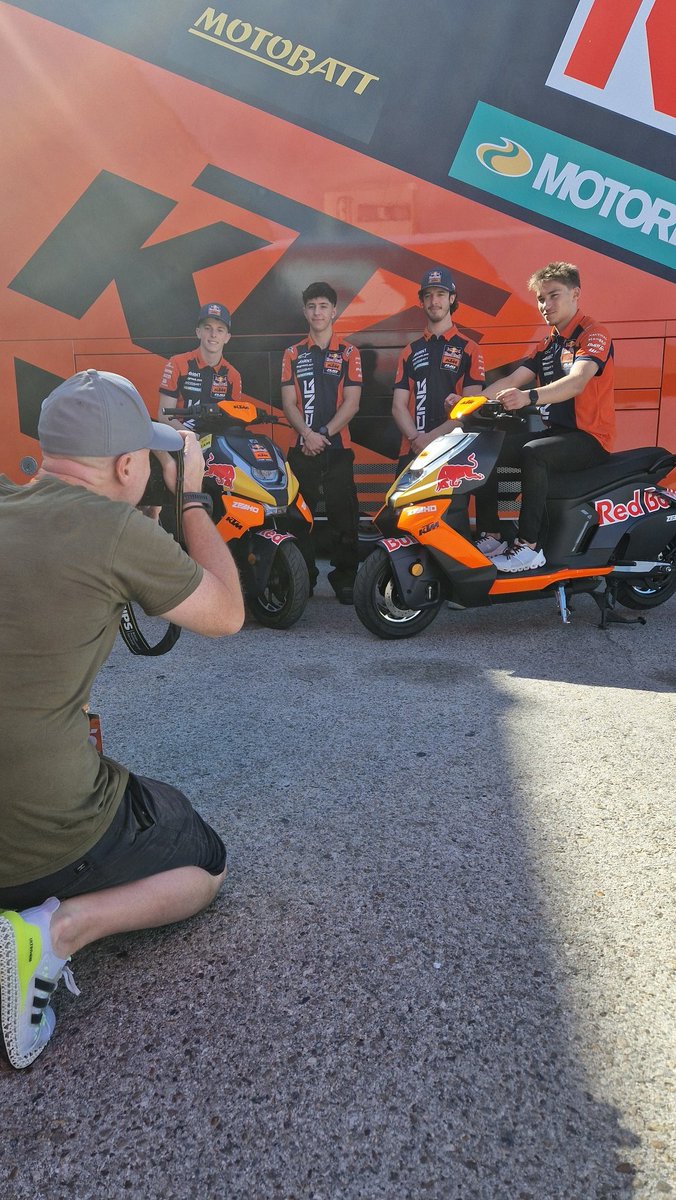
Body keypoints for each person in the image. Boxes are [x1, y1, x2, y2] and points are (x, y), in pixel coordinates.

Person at [0, 369, 244, 1069]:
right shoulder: (114, 531)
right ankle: (56, 929)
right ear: (130, 465)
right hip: (38, 839)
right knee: (203, 860)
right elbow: (226, 614)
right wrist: (192, 497)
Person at [475, 262, 615, 572]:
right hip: (558, 436)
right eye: (541, 298)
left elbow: (577, 381)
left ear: (575, 293)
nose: (545, 305)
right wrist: (469, 401)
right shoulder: (548, 343)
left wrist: (529, 397)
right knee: (486, 450)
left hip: (590, 439)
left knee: (532, 454)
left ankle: (528, 548)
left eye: (553, 296)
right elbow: (512, 380)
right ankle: (495, 535)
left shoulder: (593, 334)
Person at [281, 282, 362, 604]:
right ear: (305, 311)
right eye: (312, 306)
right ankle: (304, 580)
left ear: (334, 311)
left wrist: (322, 434)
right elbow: (288, 403)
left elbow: (352, 403)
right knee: (299, 519)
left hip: (337, 449)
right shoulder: (292, 353)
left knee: (345, 517)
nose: (318, 312)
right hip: (301, 449)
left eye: (323, 306)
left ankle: (345, 579)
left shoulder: (348, 353)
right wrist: (307, 434)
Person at [391, 267, 485, 474]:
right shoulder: (410, 351)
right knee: (403, 507)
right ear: (421, 302)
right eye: (428, 295)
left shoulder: (469, 348)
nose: (434, 301)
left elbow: (470, 408)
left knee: (452, 508)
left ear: (452, 299)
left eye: (441, 294)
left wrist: (430, 439)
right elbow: (398, 406)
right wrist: (417, 438)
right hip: (412, 450)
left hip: (452, 450)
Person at [158, 301, 241, 429]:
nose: (213, 334)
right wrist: (195, 439)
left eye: (220, 330)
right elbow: (164, 417)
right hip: (182, 439)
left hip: (216, 442)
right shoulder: (177, 363)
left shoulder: (233, 375)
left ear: (227, 337)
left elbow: (234, 421)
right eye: (208, 328)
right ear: (198, 332)